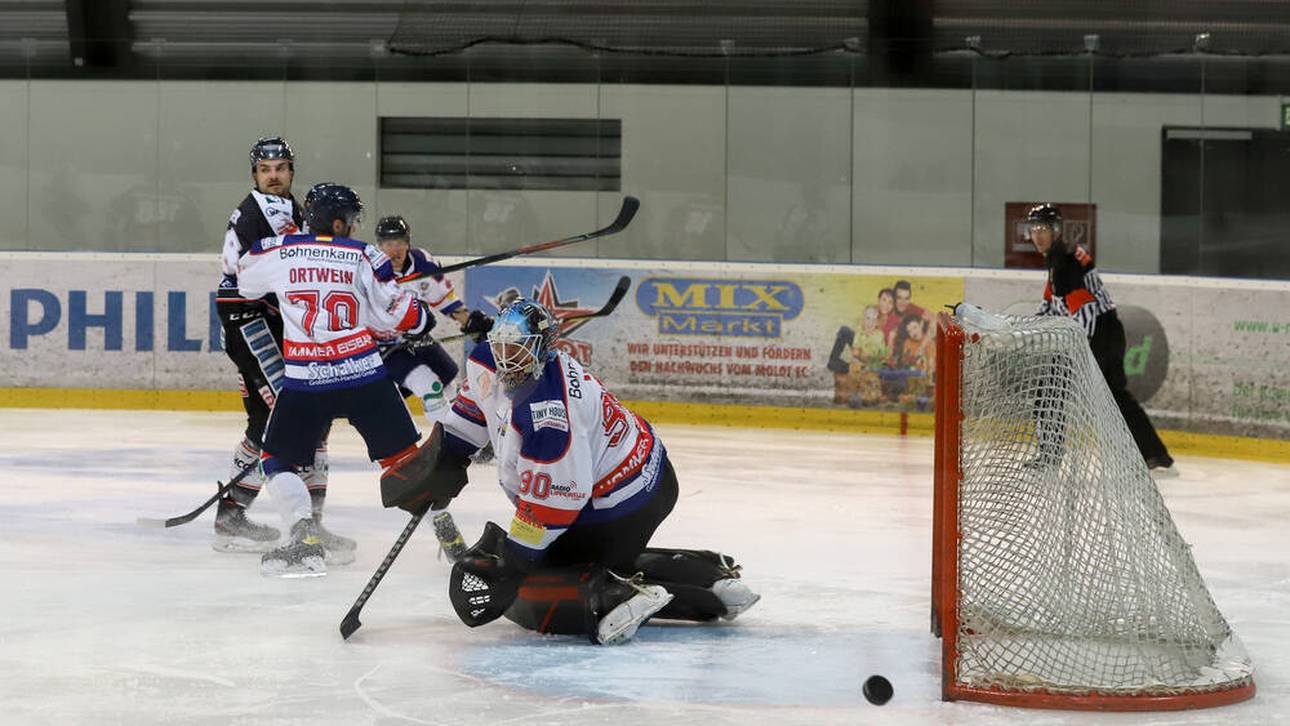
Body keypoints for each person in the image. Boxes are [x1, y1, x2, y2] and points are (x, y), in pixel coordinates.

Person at [434, 298, 760, 644]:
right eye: (500, 347)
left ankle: (618, 600)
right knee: (567, 561)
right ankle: (709, 576)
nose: (506, 359)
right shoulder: (495, 363)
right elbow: (474, 408)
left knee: (540, 585)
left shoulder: (549, 413)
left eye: (517, 350)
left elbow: (556, 505)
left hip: (621, 503)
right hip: (641, 479)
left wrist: (516, 561)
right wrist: (444, 459)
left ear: (543, 348)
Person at [235, 183, 438, 576]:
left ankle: (302, 539)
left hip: (306, 383)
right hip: (364, 377)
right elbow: (394, 317)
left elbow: (246, 283)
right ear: (341, 222)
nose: (357, 226)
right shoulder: (366, 255)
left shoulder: (278, 250)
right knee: (406, 462)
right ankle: (450, 539)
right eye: (354, 220)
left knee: (276, 461)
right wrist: (421, 315)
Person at [213, 136, 337, 555]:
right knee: (291, 412)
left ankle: (236, 513)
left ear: (291, 172)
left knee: (280, 418)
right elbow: (248, 273)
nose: (274, 176)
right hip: (249, 322)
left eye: (281, 168)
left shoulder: (295, 209)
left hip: (269, 322)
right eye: (266, 170)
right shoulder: (254, 213)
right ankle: (296, 522)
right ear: (255, 175)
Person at [1027, 203, 1176, 476]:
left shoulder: (1064, 263)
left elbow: (1085, 316)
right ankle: (1156, 455)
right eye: (1034, 229)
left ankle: (1154, 456)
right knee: (1053, 390)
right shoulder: (1060, 257)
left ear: (1056, 230)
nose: (1037, 236)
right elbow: (1052, 303)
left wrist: (1077, 353)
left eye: (1043, 229)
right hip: (1102, 334)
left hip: (1098, 338)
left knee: (1088, 394)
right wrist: (1033, 327)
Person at [373, 215, 493, 429]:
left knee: (450, 383)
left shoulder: (422, 262)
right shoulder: (369, 271)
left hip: (418, 339)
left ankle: (468, 433)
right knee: (431, 387)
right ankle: (449, 443)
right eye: (388, 244)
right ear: (379, 246)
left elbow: (444, 299)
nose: (395, 249)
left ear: (408, 243)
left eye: (400, 242)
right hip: (386, 349)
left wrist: (470, 322)